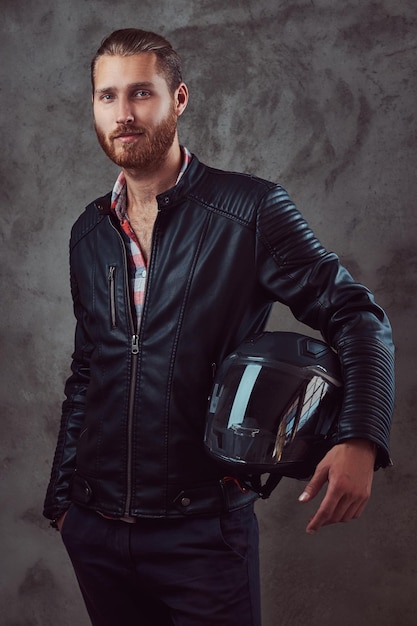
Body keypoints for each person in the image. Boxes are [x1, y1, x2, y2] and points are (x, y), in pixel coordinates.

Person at [43, 28, 395, 626]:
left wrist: (360, 436)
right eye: (108, 97)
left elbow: (357, 317)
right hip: (94, 531)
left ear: (178, 99)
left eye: (141, 94)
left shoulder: (250, 212)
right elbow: (88, 372)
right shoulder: (89, 234)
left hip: (201, 534)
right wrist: (62, 503)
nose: (124, 115)